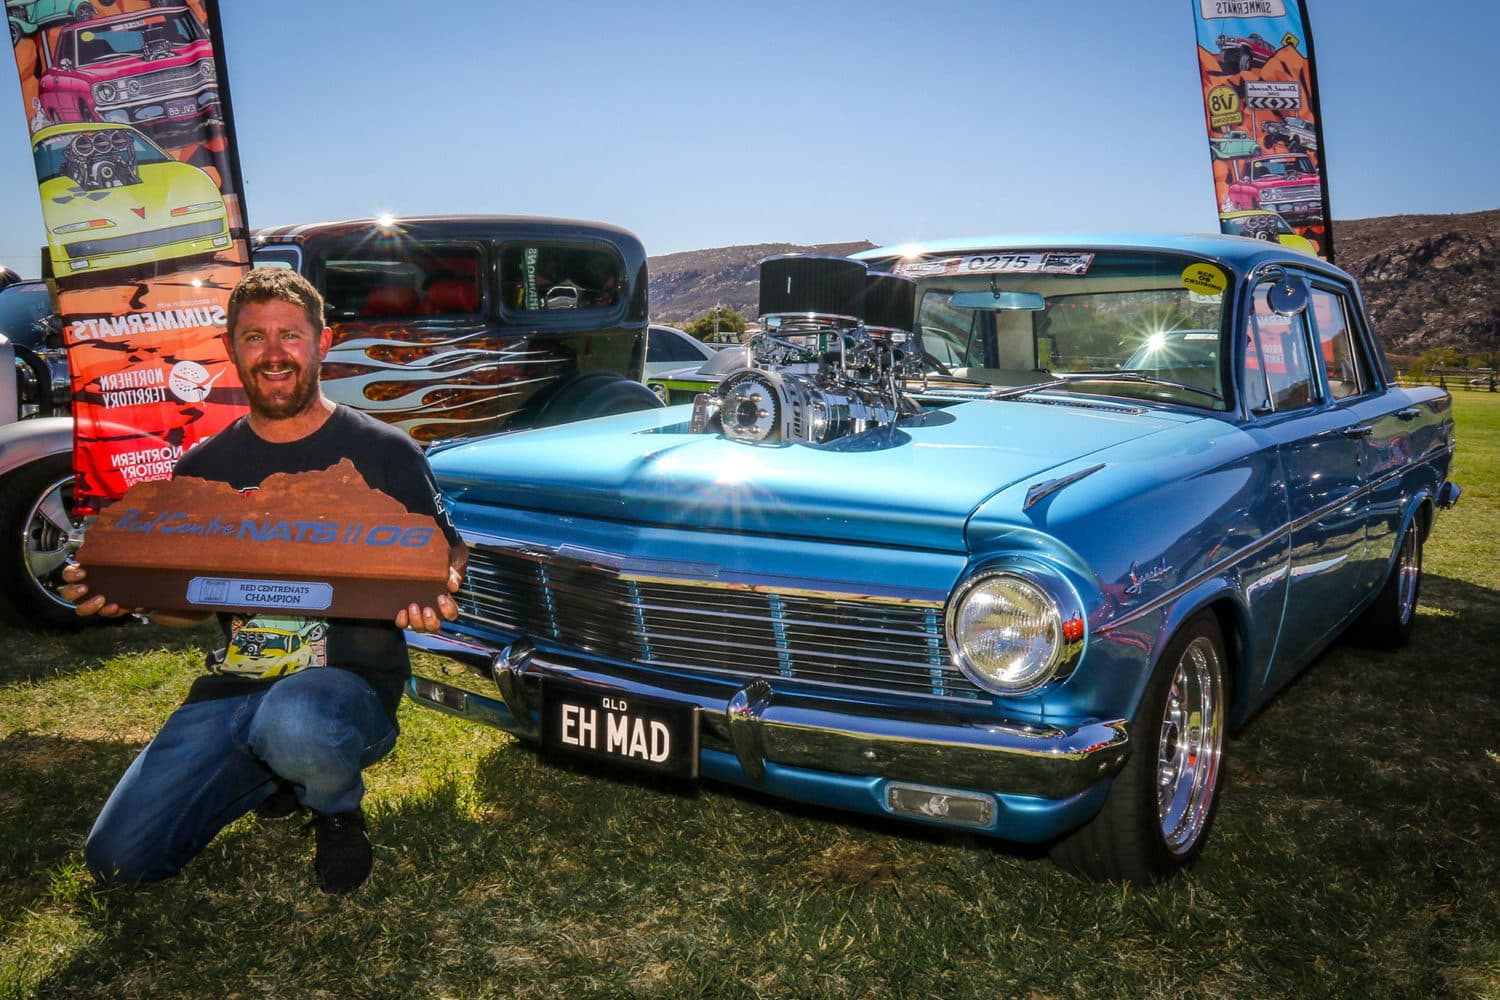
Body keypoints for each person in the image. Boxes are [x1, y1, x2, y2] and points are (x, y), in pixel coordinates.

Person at [61, 267, 468, 895]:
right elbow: (191, 608)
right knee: (119, 861)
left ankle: (333, 808)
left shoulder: (385, 452)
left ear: (323, 342)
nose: (273, 354)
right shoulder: (204, 467)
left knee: (295, 722)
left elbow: (448, 559)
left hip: (341, 693)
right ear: (231, 349)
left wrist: (434, 593)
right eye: (254, 337)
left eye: (291, 336)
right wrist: (132, 598)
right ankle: (272, 775)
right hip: (234, 688)